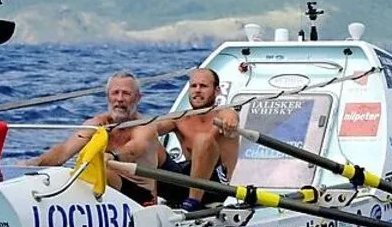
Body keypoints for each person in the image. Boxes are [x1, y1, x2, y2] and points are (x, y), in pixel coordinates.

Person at [24, 71, 162, 205]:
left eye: (126, 93)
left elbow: (134, 149)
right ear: (108, 96)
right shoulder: (97, 124)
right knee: (67, 174)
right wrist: (33, 164)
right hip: (105, 191)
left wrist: (111, 156)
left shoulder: (145, 126)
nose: (119, 99)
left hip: (141, 197)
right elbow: (65, 151)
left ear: (138, 98)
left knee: (99, 175)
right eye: (115, 93)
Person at [153, 68, 240, 211]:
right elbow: (149, 128)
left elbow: (231, 117)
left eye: (203, 86)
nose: (197, 90)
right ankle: (145, 200)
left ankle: (193, 202)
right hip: (185, 183)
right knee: (145, 140)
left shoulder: (224, 112)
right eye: (194, 86)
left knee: (203, 140)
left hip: (215, 188)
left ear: (216, 91)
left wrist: (231, 122)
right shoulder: (180, 118)